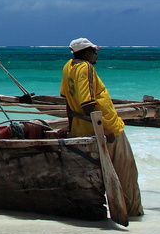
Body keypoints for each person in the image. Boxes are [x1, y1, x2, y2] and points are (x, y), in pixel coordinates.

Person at [61, 37, 142, 218]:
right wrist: (103, 130)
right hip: (109, 129)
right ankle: (133, 214)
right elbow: (87, 103)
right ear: (86, 53)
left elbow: (67, 100)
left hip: (81, 130)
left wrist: (70, 126)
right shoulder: (86, 68)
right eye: (94, 51)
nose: (96, 55)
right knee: (126, 175)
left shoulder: (68, 67)